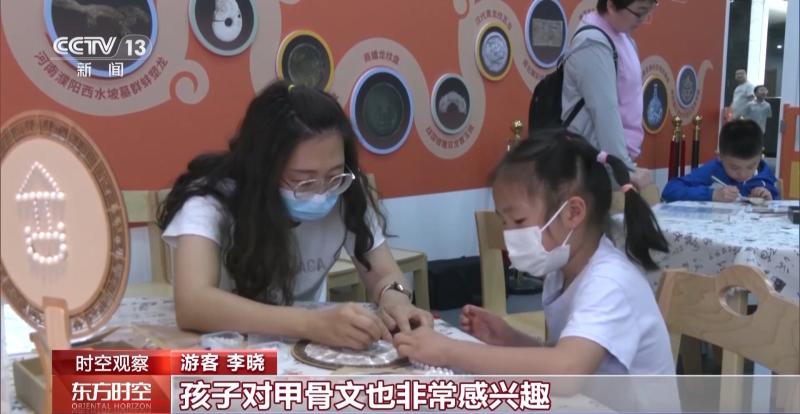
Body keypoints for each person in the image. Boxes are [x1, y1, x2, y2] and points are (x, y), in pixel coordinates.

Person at [158, 81, 432, 350]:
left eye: (333, 174)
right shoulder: (211, 201)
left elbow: (384, 273)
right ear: (262, 169)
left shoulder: (345, 191)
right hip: (228, 347)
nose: (322, 193)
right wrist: (310, 323)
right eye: (303, 180)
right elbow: (193, 303)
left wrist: (395, 300)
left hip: (304, 345)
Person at [394, 130, 673, 379]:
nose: (508, 234)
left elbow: (568, 370)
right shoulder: (560, 273)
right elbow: (566, 354)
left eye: (518, 221)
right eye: (504, 222)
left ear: (573, 213)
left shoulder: (609, 282)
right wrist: (509, 339)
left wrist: (449, 351)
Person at [561, 0, 658, 189]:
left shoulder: (623, 38)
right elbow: (605, 112)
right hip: (594, 166)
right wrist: (624, 169)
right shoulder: (592, 43)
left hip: (611, 162)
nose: (643, 20)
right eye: (639, 12)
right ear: (611, 5)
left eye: (647, 12)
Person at [662, 119, 780, 202]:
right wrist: (712, 194)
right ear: (720, 157)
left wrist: (768, 199)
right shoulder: (713, 170)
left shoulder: (764, 175)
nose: (743, 174)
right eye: (734, 167)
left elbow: (777, 202)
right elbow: (670, 190)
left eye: (750, 167)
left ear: (760, 157)